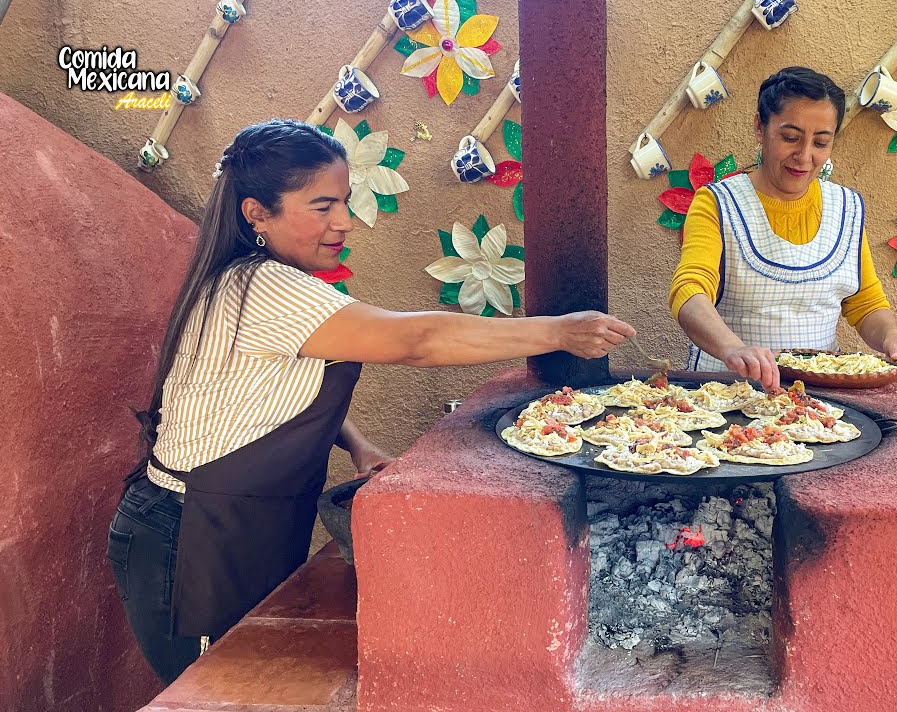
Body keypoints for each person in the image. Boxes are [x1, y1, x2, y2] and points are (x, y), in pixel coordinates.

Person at [106, 119, 635, 684]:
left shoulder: (261, 280)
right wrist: (557, 331)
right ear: (256, 213)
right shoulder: (265, 286)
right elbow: (415, 340)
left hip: (227, 524)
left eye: (346, 202)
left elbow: (275, 387)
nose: (342, 223)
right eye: (322, 206)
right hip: (189, 537)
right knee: (218, 691)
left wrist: (357, 444)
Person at [670, 66, 897, 391]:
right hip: (726, 393)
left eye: (820, 142)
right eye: (790, 138)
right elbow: (690, 291)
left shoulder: (847, 208)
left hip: (822, 399)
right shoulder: (717, 203)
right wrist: (732, 348)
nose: (804, 156)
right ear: (760, 127)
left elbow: (865, 302)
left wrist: (891, 338)